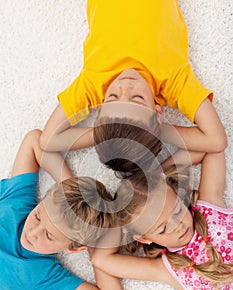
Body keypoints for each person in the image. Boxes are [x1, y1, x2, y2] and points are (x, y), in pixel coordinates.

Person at [39, 0, 227, 174]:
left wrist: (108, 133)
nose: (125, 86)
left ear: (102, 103)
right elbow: (216, 140)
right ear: (157, 112)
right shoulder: (173, 81)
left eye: (112, 97)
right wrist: (154, 130)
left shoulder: (93, 84)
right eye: (137, 98)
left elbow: (48, 140)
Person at [91, 150, 233, 290]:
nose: (178, 225)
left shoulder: (210, 209)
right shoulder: (166, 268)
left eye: (178, 211)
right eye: (163, 228)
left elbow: (212, 149)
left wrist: (158, 176)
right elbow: (100, 259)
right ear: (144, 239)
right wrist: (119, 217)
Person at [0, 129, 125, 290]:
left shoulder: (42, 276)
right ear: (41, 202)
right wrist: (67, 187)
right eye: (37, 216)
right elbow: (34, 140)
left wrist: (99, 251)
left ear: (74, 248)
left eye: (49, 236)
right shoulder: (18, 204)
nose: (32, 233)